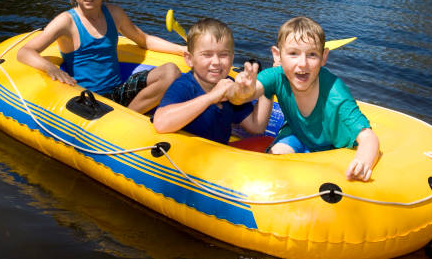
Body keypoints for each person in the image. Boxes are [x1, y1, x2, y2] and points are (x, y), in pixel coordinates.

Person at [17, 0, 185, 114]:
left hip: (117, 91)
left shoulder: (115, 14)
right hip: (87, 100)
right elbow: (25, 52)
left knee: (171, 72)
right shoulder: (66, 22)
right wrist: (50, 68)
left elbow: (145, 40)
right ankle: (123, 119)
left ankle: (128, 116)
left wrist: (181, 49)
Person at [230, 16, 380, 181]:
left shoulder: (335, 93)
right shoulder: (276, 76)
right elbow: (249, 93)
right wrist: (243, 90)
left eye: (312, 55)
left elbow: (368, 137)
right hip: (296, 134)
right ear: (277, 55)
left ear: (324, 57)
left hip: (331, 146)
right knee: (275, 159)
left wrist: (363, 162)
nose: (302, 63)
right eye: (293, 53)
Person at [153, 18, 271, 145]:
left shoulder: (231, 88)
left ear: (232, 58)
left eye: (223, 55)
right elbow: (160, 124)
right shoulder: (184, 86)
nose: (216, 62)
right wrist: (212, 97)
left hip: (216, 157)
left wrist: (268, 83)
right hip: (183, 155)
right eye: (207, 54)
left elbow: (256, 127)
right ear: (189, 59)